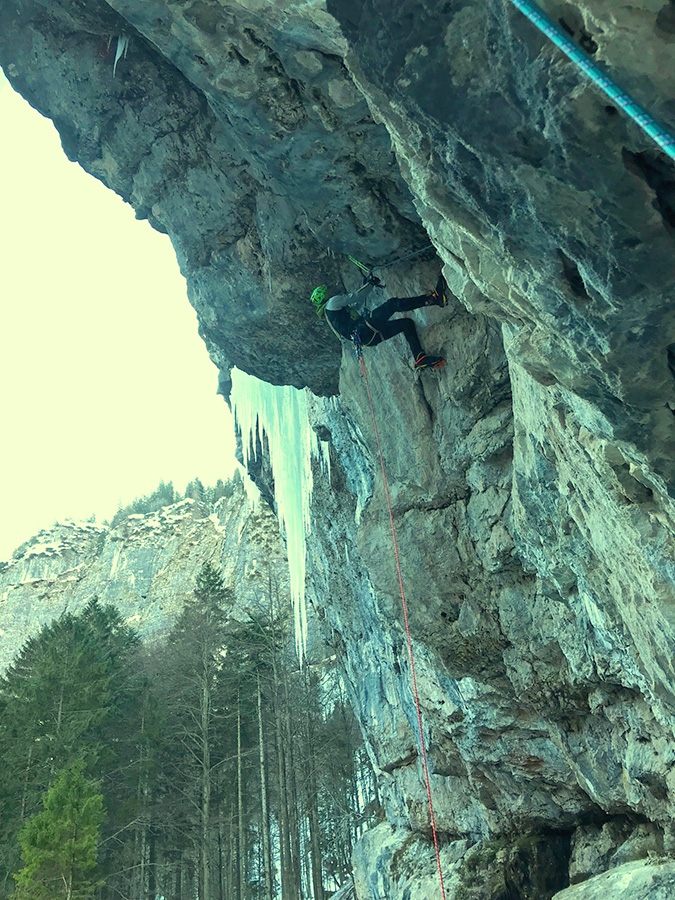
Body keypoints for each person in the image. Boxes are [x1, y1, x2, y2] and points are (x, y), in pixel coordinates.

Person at [311, 274, 450, 369]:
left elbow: (356, 307)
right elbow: (357, 297)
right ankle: (433, 298)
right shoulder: (332, 302)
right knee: (392, 304)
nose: (330, 292)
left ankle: (420, 358)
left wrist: (368, 286)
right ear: (324, 296)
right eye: (327, 292)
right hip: (363, 328)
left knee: (406, 324)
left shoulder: (329, 314)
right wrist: (371, 284)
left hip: (367, 339)